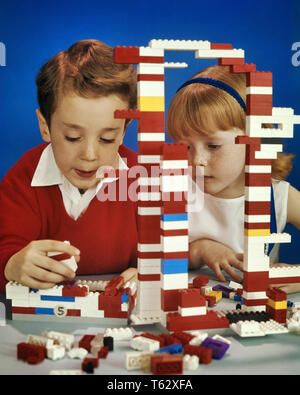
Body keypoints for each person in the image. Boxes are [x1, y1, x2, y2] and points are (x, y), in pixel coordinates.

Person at [0, 39, 138, 293]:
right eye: (73, 137)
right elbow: (5, 247)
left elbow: (167, 252)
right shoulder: (23, 179)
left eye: (107, 139)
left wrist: (152, 272)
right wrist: (11, 264)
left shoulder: (145, 180)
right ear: (45, 127)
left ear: (123, 132)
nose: (89, 155)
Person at [166, 65, 300, 294]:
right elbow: (148, 256)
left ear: (254, 139)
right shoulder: (175, 189)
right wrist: (199, 249)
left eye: (213, 146)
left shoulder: (278, 195)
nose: (197, 160)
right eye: (185, 146)